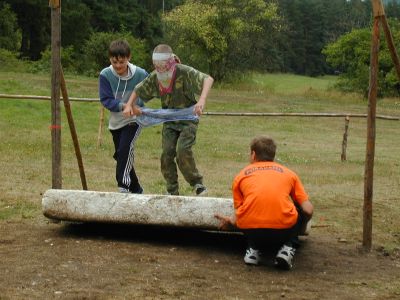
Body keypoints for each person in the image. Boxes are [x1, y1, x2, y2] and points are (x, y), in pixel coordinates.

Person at [123, 44, 214, 196]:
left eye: (163, 66)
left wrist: (202, 100)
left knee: (182, 151)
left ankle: (197, 184)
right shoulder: (156, 76)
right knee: (167, 154)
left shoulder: (183, 71)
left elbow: (208, 79)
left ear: (170, 62)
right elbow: (139, 89)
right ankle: (172, 191)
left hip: (188, 119)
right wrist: (129, 105)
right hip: (169, 120)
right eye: (157, 67)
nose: (161, 70)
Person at [215, 136, 313, 270]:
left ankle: (253, 249)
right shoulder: (290, 174)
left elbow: (239, 212)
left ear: (253, 154)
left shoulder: (241, 176)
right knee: (301, 207)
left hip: (252, 231)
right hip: (283, 231)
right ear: (273, 155)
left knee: (251, 210)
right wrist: (301, 225)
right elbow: (308, 210)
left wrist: (231, 223)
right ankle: (288, 248)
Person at [99, 39, 148, 194]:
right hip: (116, 122)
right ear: (110, 60)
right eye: (114, 62)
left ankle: (123, 186)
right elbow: (106, 99)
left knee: (125, 149)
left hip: (134, 120)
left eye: (121, 62)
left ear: (129, 57)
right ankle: (137, 189)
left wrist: (137, 106)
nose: (118, 66)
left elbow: (150, 90)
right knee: (120, 154)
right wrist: (124, 106)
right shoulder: (105, 75)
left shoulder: (141, 74)